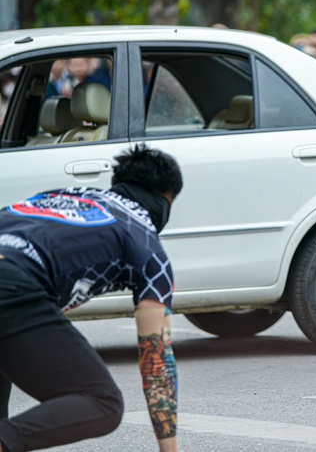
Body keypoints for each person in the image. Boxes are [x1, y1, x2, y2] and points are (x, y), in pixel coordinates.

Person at [0, 145, 183, 451]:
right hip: (11, 282)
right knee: (102, 402)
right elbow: (156, 359)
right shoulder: (147, 244)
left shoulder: (60, 195)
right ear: (165, 199)